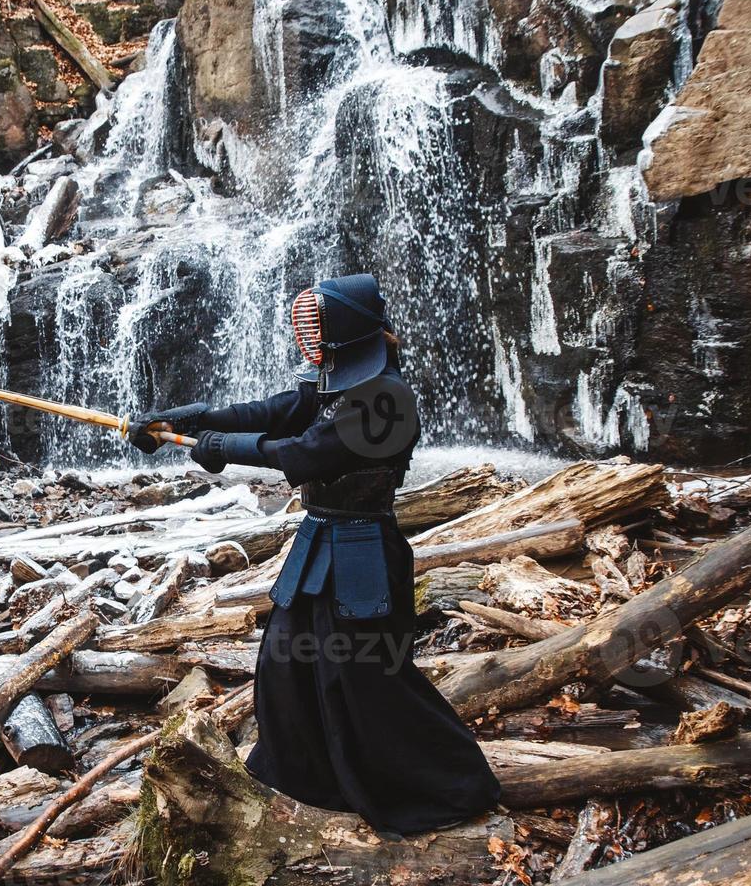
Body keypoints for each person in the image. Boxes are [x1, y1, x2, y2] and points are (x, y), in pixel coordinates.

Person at [127, 273, 500, 835]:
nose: (309, 339)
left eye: (317, 326)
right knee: (286, 663)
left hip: (365, 553)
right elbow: (274, 413)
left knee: (372, 677)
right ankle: (308, 780)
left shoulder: (388, 398)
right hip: (322, 538)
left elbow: (308, 453)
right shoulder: (336, 383)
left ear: (345, 331)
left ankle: (455, 785)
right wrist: (194, 419)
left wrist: (220, 450)